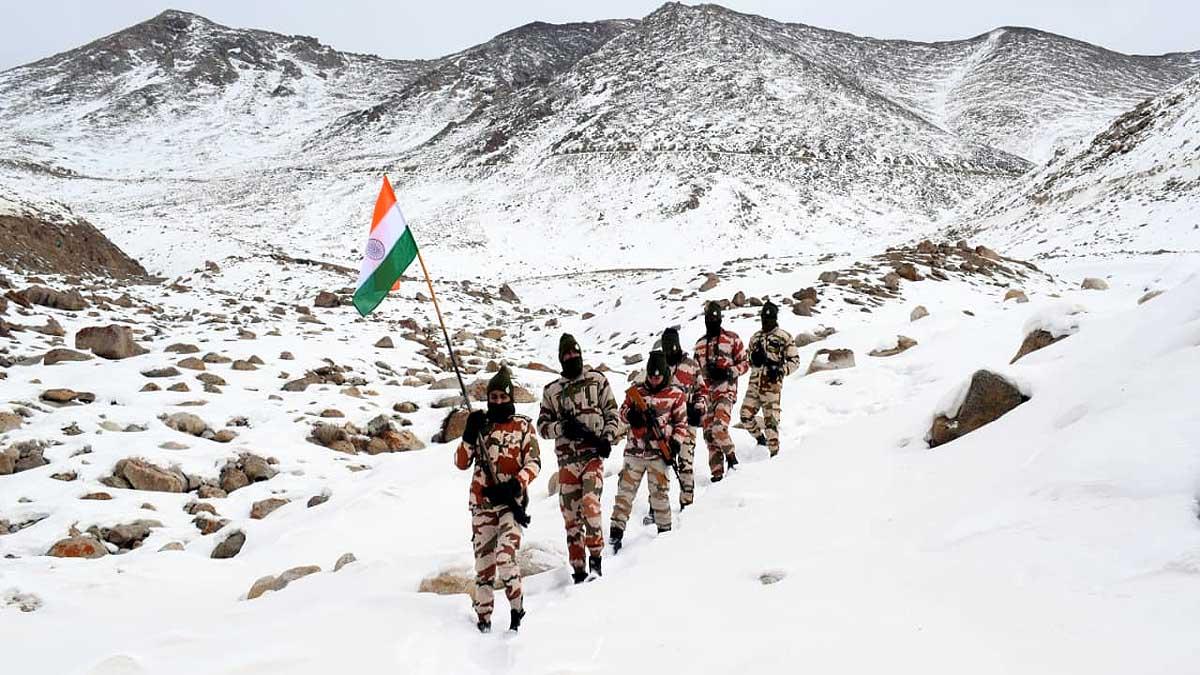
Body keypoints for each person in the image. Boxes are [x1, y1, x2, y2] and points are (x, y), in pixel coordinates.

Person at [455, 367, 541, 633]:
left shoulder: (524, 425)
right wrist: (469, 434)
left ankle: (517, 609)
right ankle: (483, 620)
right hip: (482, 505)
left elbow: (535, 463)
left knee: (505, 558)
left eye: (503, 397)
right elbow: (460, 462)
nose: (498, 402)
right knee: (483, 569)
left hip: (510, 506)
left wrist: (517, 483)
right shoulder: (481, 425)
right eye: (494, 397)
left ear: (510, 398)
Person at [537, 333, 620, 582]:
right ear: (561, 359)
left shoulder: (597, 380)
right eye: (567, 355)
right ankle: (578, 571)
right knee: (571, 518)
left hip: (592, 457)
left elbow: (612, 412)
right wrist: (561, 429)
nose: (571, 357)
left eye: (575, 353)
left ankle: (596, 563)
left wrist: (607, 438)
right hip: (567, 463)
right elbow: (542, 426)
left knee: (590, 507)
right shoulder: (552, 391)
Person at [611, 350, 689, 551]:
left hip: (659, 456)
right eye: (651, 376)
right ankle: (615, 537)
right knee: (624, 497)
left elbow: (681, 424)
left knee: (660, 497)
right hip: (634, 454)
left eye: (658, 376)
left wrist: (676, 443)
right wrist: (633, 415)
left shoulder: (676, 395)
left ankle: (665, 537)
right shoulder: (636, 391)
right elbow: (621, 412)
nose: (654, 380)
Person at [643, 327, 707, 524]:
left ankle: (687, 504)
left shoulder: (691, 365)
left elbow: (702, 391)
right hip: (662, 426)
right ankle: (656, 507)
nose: (670, 349)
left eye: (673, 345)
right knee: (660, 467)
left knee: (685, 464)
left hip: (686, 423)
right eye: (666, 345)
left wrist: (698, 408)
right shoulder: (658, 365)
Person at [693, 301, 749, 482]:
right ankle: (717, 475)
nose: (713, 322)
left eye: (716, 319)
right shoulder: (700, 345)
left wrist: (728, 371)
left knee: (718, 428)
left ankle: (733, 460)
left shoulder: (732, 339)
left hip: (726, 391)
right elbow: (695, 373)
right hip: (707, 395)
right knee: (709, 435)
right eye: (710, 319)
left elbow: (745, 363)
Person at [740, 300, 802, 456]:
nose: (766, 322)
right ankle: (760, 440)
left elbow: (795, 362)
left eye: (769, 319)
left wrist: (780, 370)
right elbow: (747, 360)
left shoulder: (784, 337)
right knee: (745, 416)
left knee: (771, 424)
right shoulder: (755, 338)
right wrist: (754, 359)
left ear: (775, 319)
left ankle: (774, 456)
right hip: (754, 385)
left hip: (772, 387)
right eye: (763, 318)